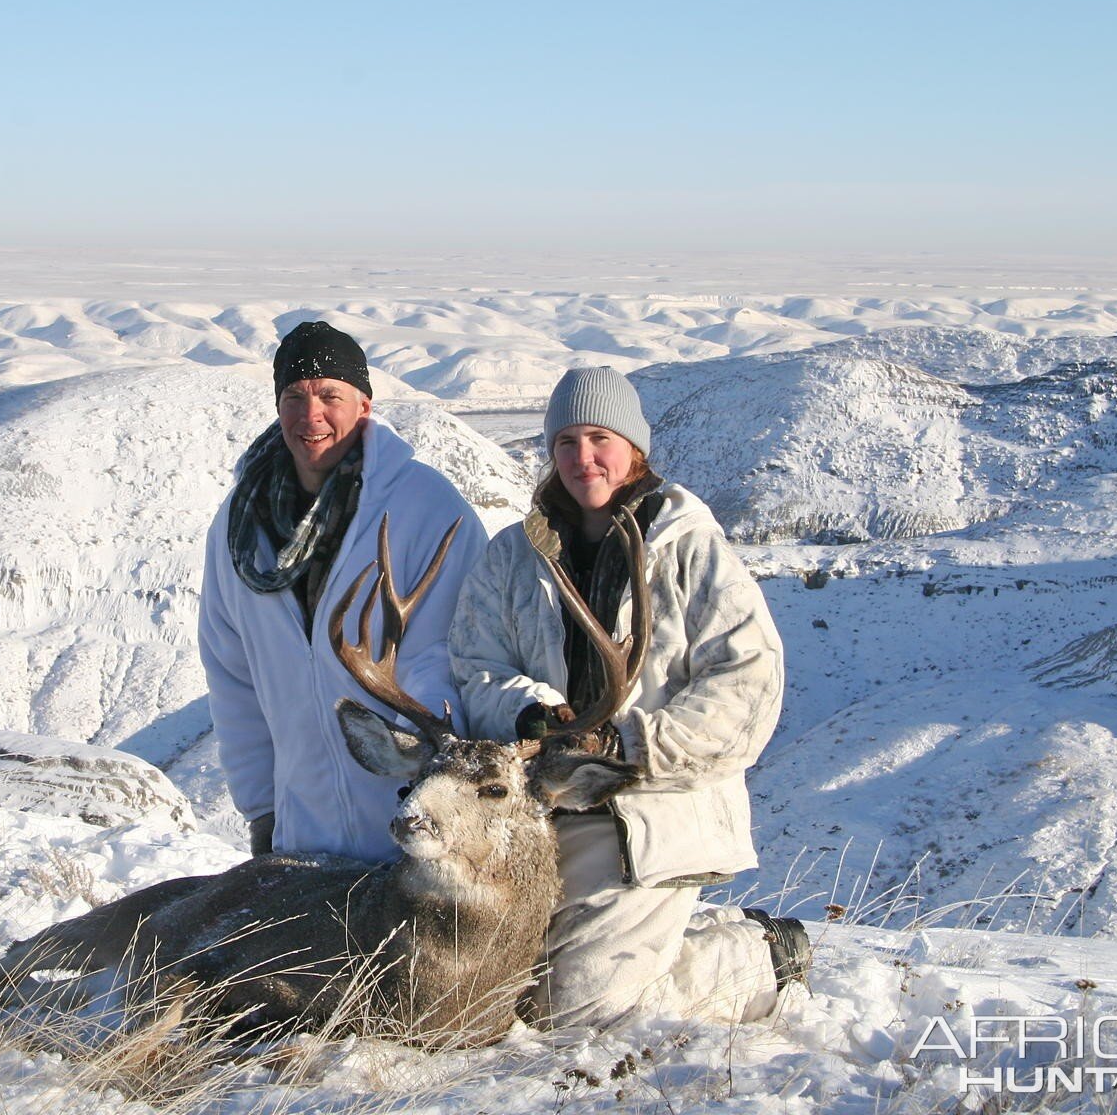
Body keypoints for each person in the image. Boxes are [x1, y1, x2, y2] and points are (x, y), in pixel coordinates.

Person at [450, 365, 806, 1027]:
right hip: (542, 816)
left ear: (632, 447)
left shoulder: (687, 546)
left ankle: (758, 956)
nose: (583, 458)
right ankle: (656, 948)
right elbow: (474, 665)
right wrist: (530, 712)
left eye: (599, 438)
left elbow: (749, 684)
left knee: (572, 1011)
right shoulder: (512, 556)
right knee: (491, 995)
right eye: (566, 442)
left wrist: (628, 745)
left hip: (650, 816)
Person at [200, 320, 488, 861]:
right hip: (299, 833)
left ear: (365, 405)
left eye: (330, 395)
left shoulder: (426, 508)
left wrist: (424, 794)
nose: (311, 416)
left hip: (410, 830)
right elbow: (233, 676)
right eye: (295, 396)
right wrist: (263, 809)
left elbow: (450, 656)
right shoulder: (239, 529)